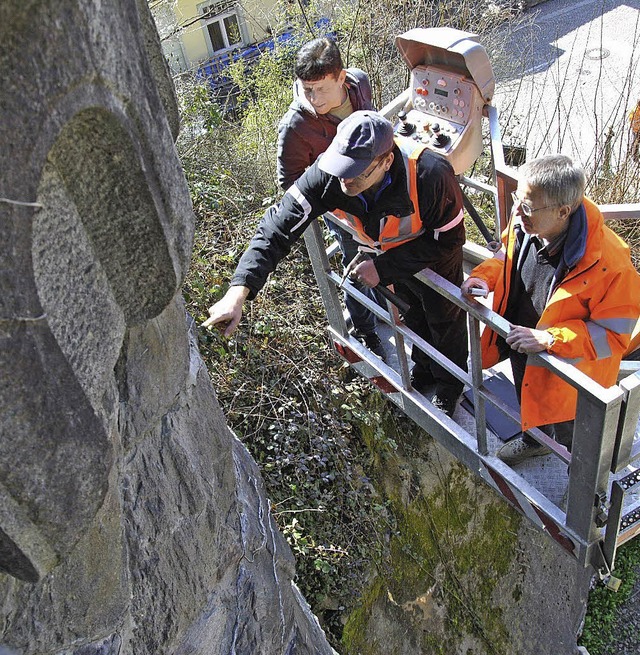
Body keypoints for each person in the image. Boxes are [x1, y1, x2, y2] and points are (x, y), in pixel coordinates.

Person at [204, 111, 468, 416]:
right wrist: (238, 292)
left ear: (385, 161)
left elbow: (448, 240)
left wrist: (382, 269)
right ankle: (425, 370)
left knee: (443, 320)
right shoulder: (333, 172)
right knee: (414, 316)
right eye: (342, 168)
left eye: (356, 172)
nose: (346, 179)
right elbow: (277, 226)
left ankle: (450, 386)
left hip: (433, 257)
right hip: (389, 255)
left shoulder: (430, 174)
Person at [461, 154, 640, 465]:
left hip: (571, 371)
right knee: (527, 397)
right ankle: (535, 439)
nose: (517, 211)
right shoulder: (526, 225)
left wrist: (550, 340)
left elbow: (612, 334)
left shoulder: (611, 265)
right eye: (518, 198)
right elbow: (504, 259)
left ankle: (580, 480)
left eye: (528, 207)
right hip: (519, 340)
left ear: (563, 211)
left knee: (574, 432)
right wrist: (482, 278)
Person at [277, 37, 383, 358]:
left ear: (341, 77)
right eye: (306, 89)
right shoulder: (296, 126)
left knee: (386, 253)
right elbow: (291, 182)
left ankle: (388, 305)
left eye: (321, 89)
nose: (314, 98)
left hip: (377, 192)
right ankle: (367, 333)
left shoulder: (360, 83)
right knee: (357, 265)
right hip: (342, 210)